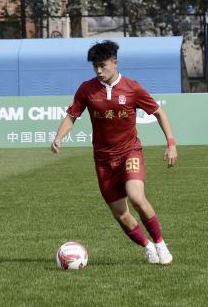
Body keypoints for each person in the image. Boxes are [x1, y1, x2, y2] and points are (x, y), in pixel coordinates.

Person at [51, 40, 178, 264]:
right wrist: (59, 137)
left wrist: (171, 144)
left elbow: (159, 113)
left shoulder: (132, 88)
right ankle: (148, 247)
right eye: (95, 67)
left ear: (114, 62)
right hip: (103, 160)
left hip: (129, 152)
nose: (99, 71)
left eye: (103, 65)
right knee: (121, 214)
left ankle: (160, 243)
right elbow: (72, 115)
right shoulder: (87, 89)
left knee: (136, 196)